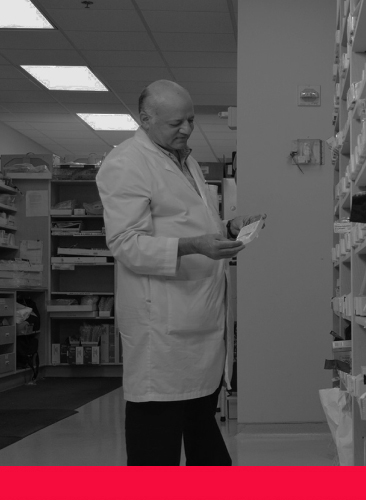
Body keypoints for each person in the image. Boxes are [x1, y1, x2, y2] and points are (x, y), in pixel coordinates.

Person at [96, 80, 264, 466]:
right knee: (157, 441)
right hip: (164, 325)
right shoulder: (126, 163)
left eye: (191, 119)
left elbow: (185, 223)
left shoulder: (183, 158)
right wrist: (194, 246)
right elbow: (125, 243)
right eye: (176, 123)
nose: (187, 129)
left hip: (200, 318)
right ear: (145, 119)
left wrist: (229, 229)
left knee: (201, 421)